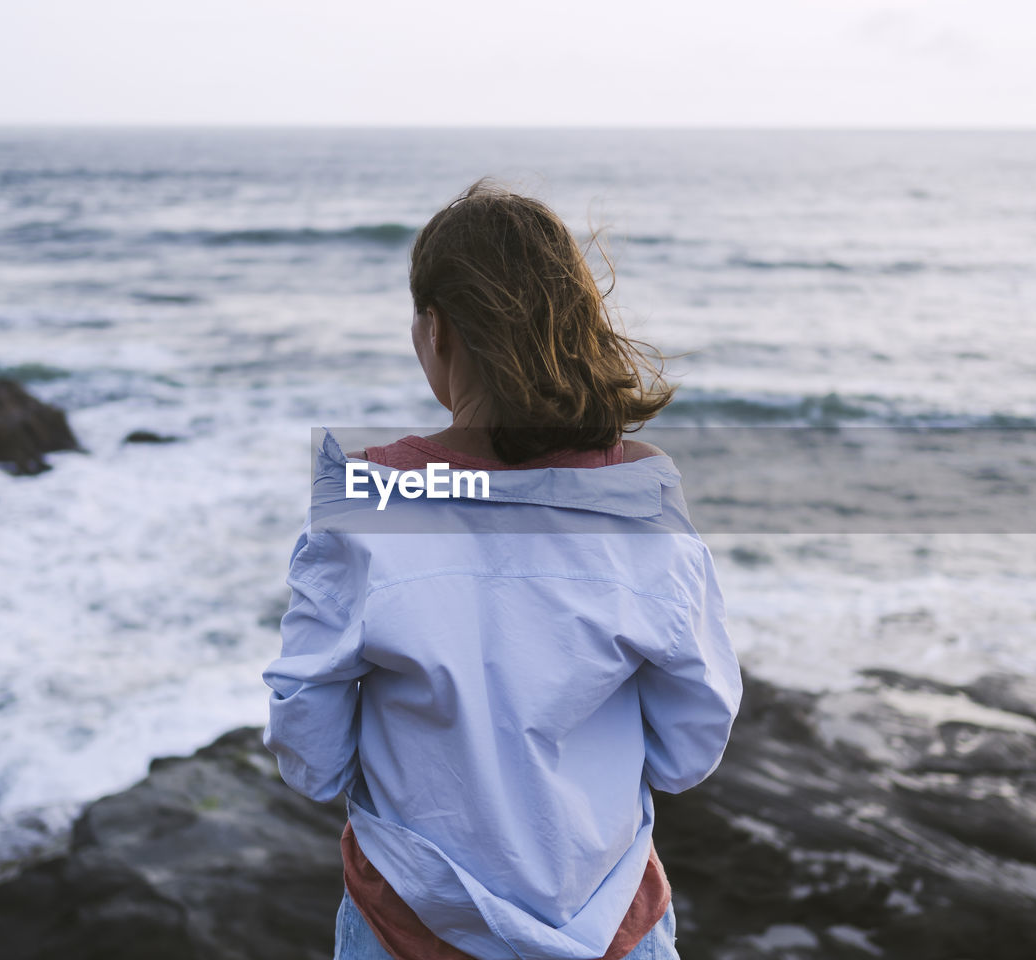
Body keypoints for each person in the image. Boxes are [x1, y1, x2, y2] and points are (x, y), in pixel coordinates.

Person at [263, 180, 742, 960]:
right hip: (614, 926)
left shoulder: (367, 511)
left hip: (408, 930)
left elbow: (311, 760)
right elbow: (690, 749)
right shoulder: (644, 507)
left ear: (437, 329)